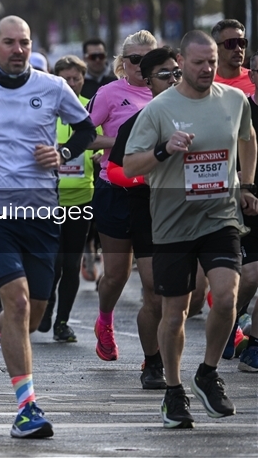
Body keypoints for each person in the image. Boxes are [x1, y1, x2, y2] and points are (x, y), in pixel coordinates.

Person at [0, 16, 96, 439]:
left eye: (24, 43)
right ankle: (27, 407)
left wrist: (62, 150)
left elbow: (85, 129)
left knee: (31, 319)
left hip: (41, 214)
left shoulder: (53, 88)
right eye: (9, 42)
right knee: (18, 302)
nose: (17, 50)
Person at [123, 30, 256, 429]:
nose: (207, 69)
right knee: (175, 312)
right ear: (182, 61)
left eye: (212, 61)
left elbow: (248, 140)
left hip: (220, 217)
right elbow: (131, 166)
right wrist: (165, 149)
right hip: (172, 224)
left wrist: (246, 185)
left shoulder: (234, 100)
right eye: (199, 62)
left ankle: (208, 372)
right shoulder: (159, 110)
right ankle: (174, 390)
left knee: (226, 296)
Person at [106, 47, 182, 389]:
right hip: (148, 211)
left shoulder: (201, 113)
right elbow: (113, 170)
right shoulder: (138, 122)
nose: (173, 79)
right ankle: (153, 363)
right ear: (148, 81)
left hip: (192, 212)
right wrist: (144, 177)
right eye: (164, 74)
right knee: (154, 291)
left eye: (176, 72)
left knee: (183, 299)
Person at [87, 30, 158, 364]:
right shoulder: (108, 93)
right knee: (116, 274)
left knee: (154, 282)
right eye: (135, 60)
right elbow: (83, 137)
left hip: (155, 193)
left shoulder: (170, 94)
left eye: (150, 59)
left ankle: (154, 354)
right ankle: (104, 320)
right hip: (114, 190)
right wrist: (118, 146)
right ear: (123, 63)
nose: (142, 66)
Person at [37, 56, 101, 343]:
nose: (72, 84)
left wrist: (99, 154)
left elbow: (97, 137)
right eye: (66, 78)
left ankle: (62, 322)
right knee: (52, 261)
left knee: (71, 263)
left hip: (81, 197)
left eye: (76, 78)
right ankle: (46, 306)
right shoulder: (43, 105)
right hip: (47, 199)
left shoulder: (89, 107)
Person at [237, 50, 258, 373]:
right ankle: (228, 319)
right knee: (252, 274)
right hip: (247, 200)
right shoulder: (242, 108)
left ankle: (254, 343)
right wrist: (244, 187)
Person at [211, 19, 253, 97]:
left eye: (242, 43)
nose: (239, 49)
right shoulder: (207, 82)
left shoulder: (254, 80)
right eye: (230, 43)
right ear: (216, 48)